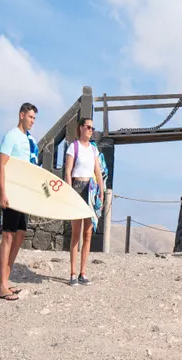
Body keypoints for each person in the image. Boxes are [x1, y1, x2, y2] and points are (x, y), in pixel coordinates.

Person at [0, 102, 39, 301]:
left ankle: (6, 280)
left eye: (34, 118)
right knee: (8, 236)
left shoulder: (30, 140)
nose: (32, 121)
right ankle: (1, 286)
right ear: (21, 115)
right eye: (30, 117)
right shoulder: (11, 136)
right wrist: (2, 193)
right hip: (11, 193)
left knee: (20, 235)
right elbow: (0, 165)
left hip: (23, 196)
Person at [64, 117, 104, 286]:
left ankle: (83, 272)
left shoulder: (94, 149)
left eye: (92, 128)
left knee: (88, 233)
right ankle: (73, 273)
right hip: (77, 188)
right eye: (88, 127)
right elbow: (67, 171)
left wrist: (101, 191)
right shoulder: (73, 147)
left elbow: (98, 171)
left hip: (91, 190)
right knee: (76, 233)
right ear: (80, 128)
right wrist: (68, 191)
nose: (90, 130)